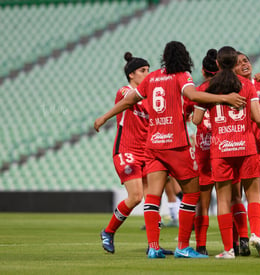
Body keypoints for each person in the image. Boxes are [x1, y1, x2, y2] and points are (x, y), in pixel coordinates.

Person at [94, 41, 246, 259]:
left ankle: (154, 247)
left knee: (152, 197)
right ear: (184, 56)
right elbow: (193, 95)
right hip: (175, 145)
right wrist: (225, 98)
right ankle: (183, 246)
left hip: (153, 146)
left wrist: (104, 117)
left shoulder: (151, 78)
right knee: (193, 192)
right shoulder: (181, 75)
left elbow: (129, 101)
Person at [193, 46, 260, 259]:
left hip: (221, 149)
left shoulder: (207, 88)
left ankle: (228, 249)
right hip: (246, 146)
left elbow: (197, 120)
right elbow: (258, 118)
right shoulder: (247, 85)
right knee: (253, 194)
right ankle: (255, 234)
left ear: (217, 64)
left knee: (224, 199)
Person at [99, 52, 150, 254]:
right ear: (131, 75)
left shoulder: (150, 97)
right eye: (142, 71)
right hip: (126, 150)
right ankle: (108, 231)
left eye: (148, 70)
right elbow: (129, 100)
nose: (147, 74)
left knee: (151, 197)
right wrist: (103, 118)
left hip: (146, 152)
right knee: (136, 196)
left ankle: (153, 245)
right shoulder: (125, 91)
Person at [234, 52, 260, 249]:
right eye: (239, 63)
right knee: (237, 195)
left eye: (246, 61)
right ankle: (239, 237)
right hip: (240, 147)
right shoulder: (232, 88)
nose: (244, 65)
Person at [192, 49, 219, 256]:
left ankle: (201, 246)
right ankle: (236, 244)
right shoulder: (230, 88)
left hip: (203, 149)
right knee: (232, 199)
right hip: (226, 146)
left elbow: (191, 118)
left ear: (203, 70)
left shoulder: (198, 90)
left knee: (203, 203)